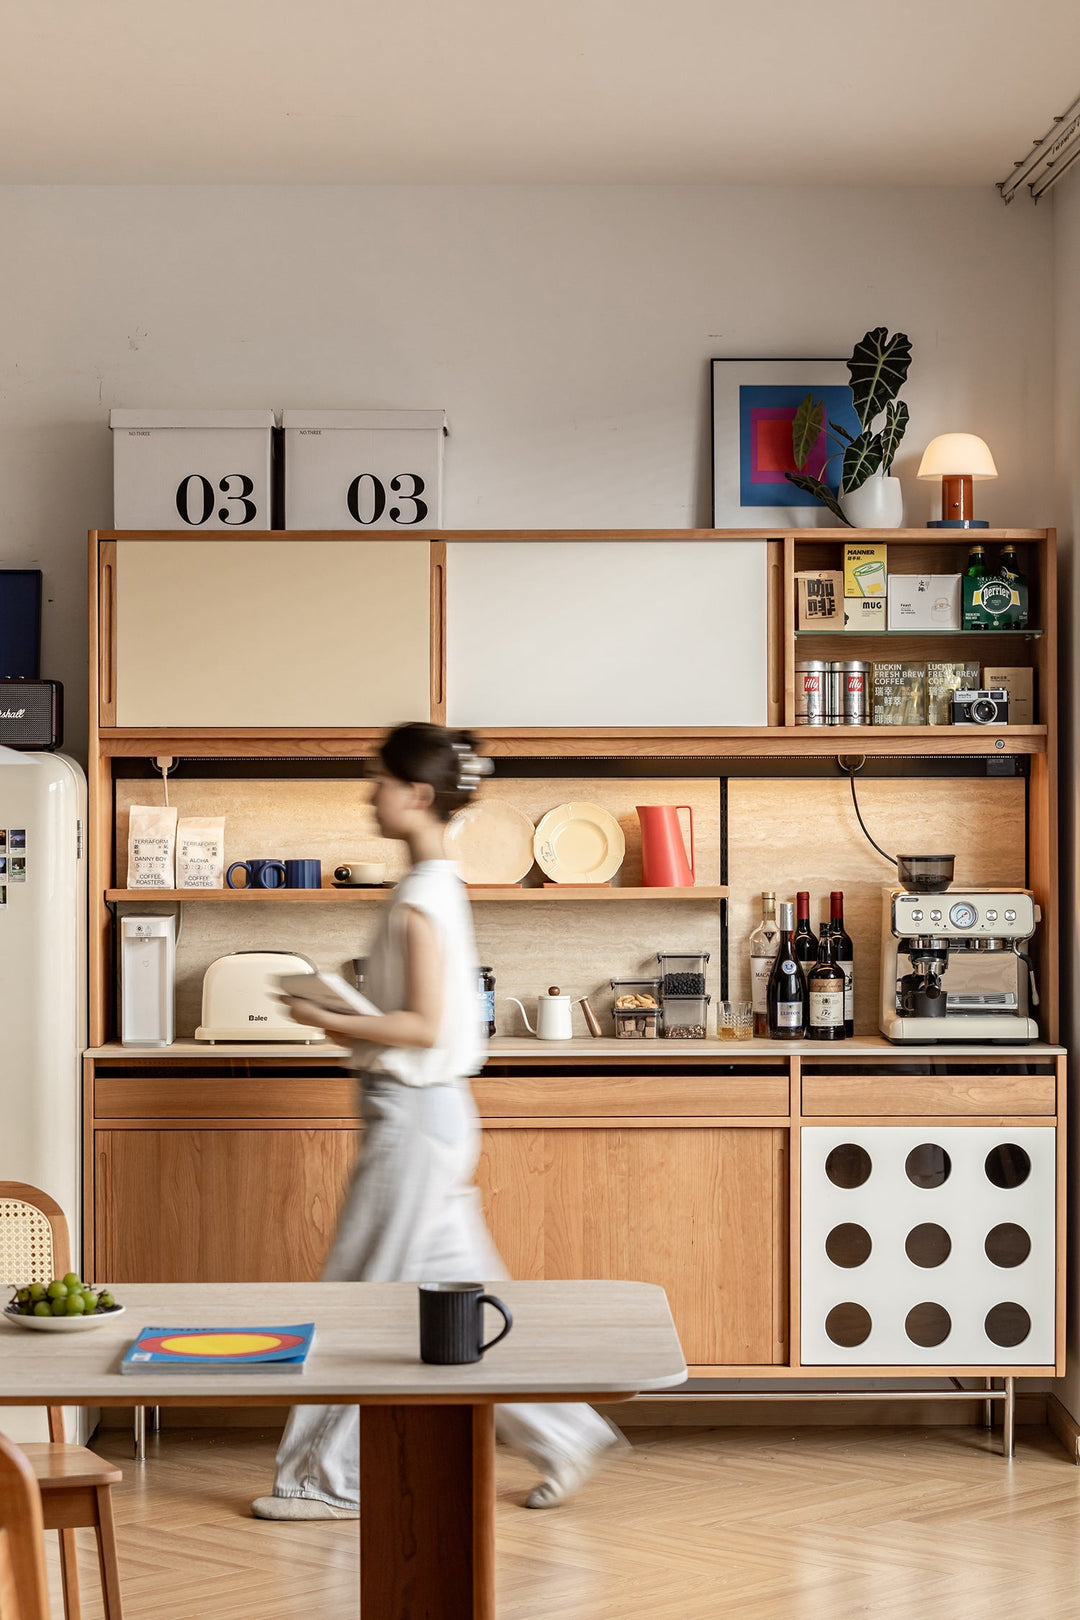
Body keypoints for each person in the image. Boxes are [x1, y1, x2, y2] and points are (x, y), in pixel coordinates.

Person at [251, 722, 624, 1521]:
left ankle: (323, 1480)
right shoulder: (436, 885)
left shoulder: (419, 897)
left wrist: (330, 1017)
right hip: (436, 1114)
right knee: (467, 1299)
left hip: (412, 1119)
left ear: (416, 795)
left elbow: (419, 1027)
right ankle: (564, 1432)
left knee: (358, 1294)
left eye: (377, 781)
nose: (367, 795)